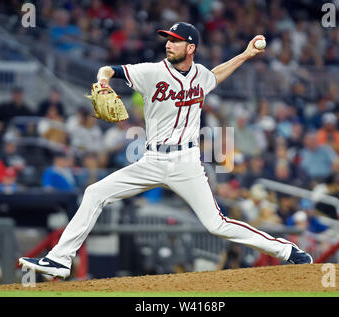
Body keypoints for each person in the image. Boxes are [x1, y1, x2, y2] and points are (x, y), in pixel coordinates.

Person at [20, 22, 312, 279]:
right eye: (167, 40)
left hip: (187, 162)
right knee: (95, 193)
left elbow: (215, 75)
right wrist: (103, 81)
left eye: (175, 40)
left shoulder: (199, 75)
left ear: (191, 47)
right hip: (152, 159)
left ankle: (286, 250)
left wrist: (246, 55)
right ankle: (59, 260)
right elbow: (109, 68)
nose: (169, 44)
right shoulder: (151, 72)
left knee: (216, 225)